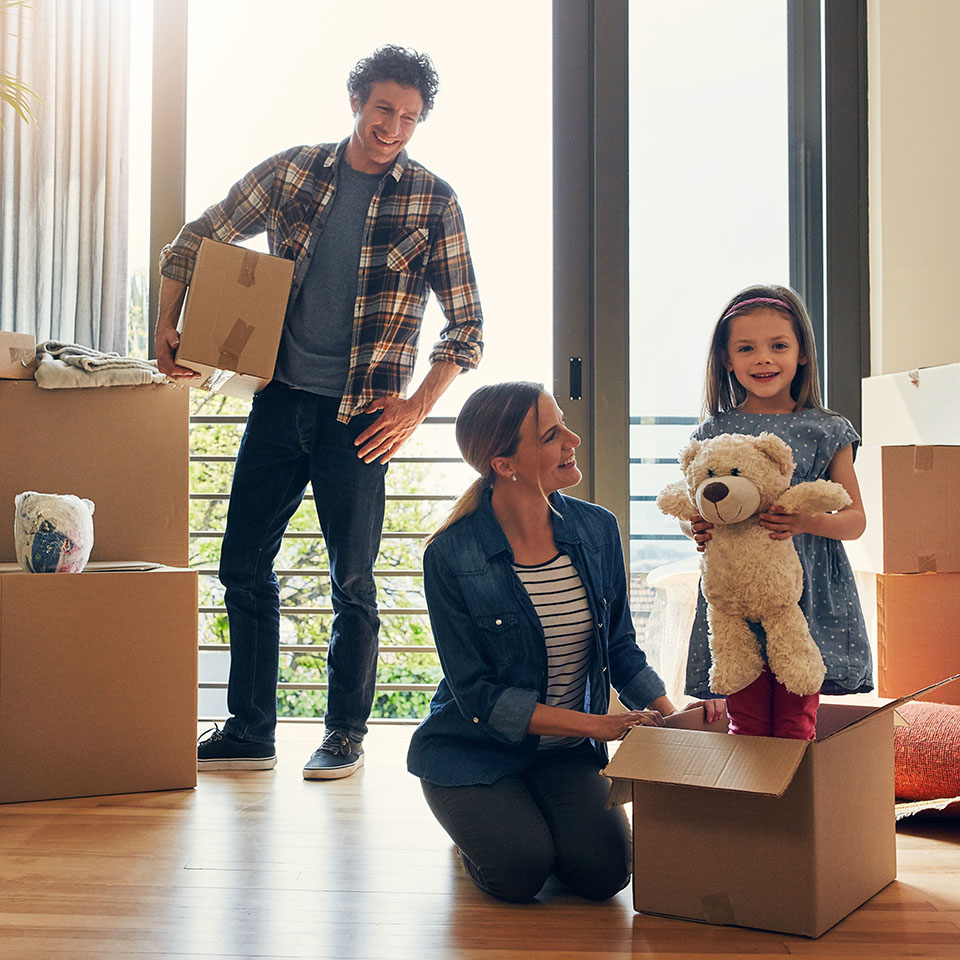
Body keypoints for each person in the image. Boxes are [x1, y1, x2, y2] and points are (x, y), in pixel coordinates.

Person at [155, 46, 483, 779]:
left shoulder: (433, 200)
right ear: (356, 103)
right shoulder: (293, 173)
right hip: (279, 401)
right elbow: (192, 239)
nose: (393, 126)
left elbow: (467, 330)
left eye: (409, 117)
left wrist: (413, 408)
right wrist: (166, 327)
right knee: (242, 564)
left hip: (362, 418)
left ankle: (344, 734)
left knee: (353, 583)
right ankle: (250, 730)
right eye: (382, 109)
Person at [406, 382, 724, 903]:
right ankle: (480, 834)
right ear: (504, 464)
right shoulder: (451, 555)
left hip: (563, 754)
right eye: (552, 434)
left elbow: (620, 647)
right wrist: (600, 725)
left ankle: (528, 816)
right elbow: (478, 696)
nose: (572, 438)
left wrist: (669, 718)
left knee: (604, 875)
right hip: (472, 751)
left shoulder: (596, 530)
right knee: (518, 873)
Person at [682, 284, 871, 738]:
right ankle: (752, 807)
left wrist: (807, 521)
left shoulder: (827, 429)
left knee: (796, 719)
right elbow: (700, 504)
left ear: (802, 353)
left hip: (806, 593)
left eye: (778, 346)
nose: (762, 359)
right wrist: (697, 529)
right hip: (737, 593)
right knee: (743, 719)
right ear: (727, 359)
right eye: (746, 348)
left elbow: (856, 520)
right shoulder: (715, 429)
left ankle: (792, 807)